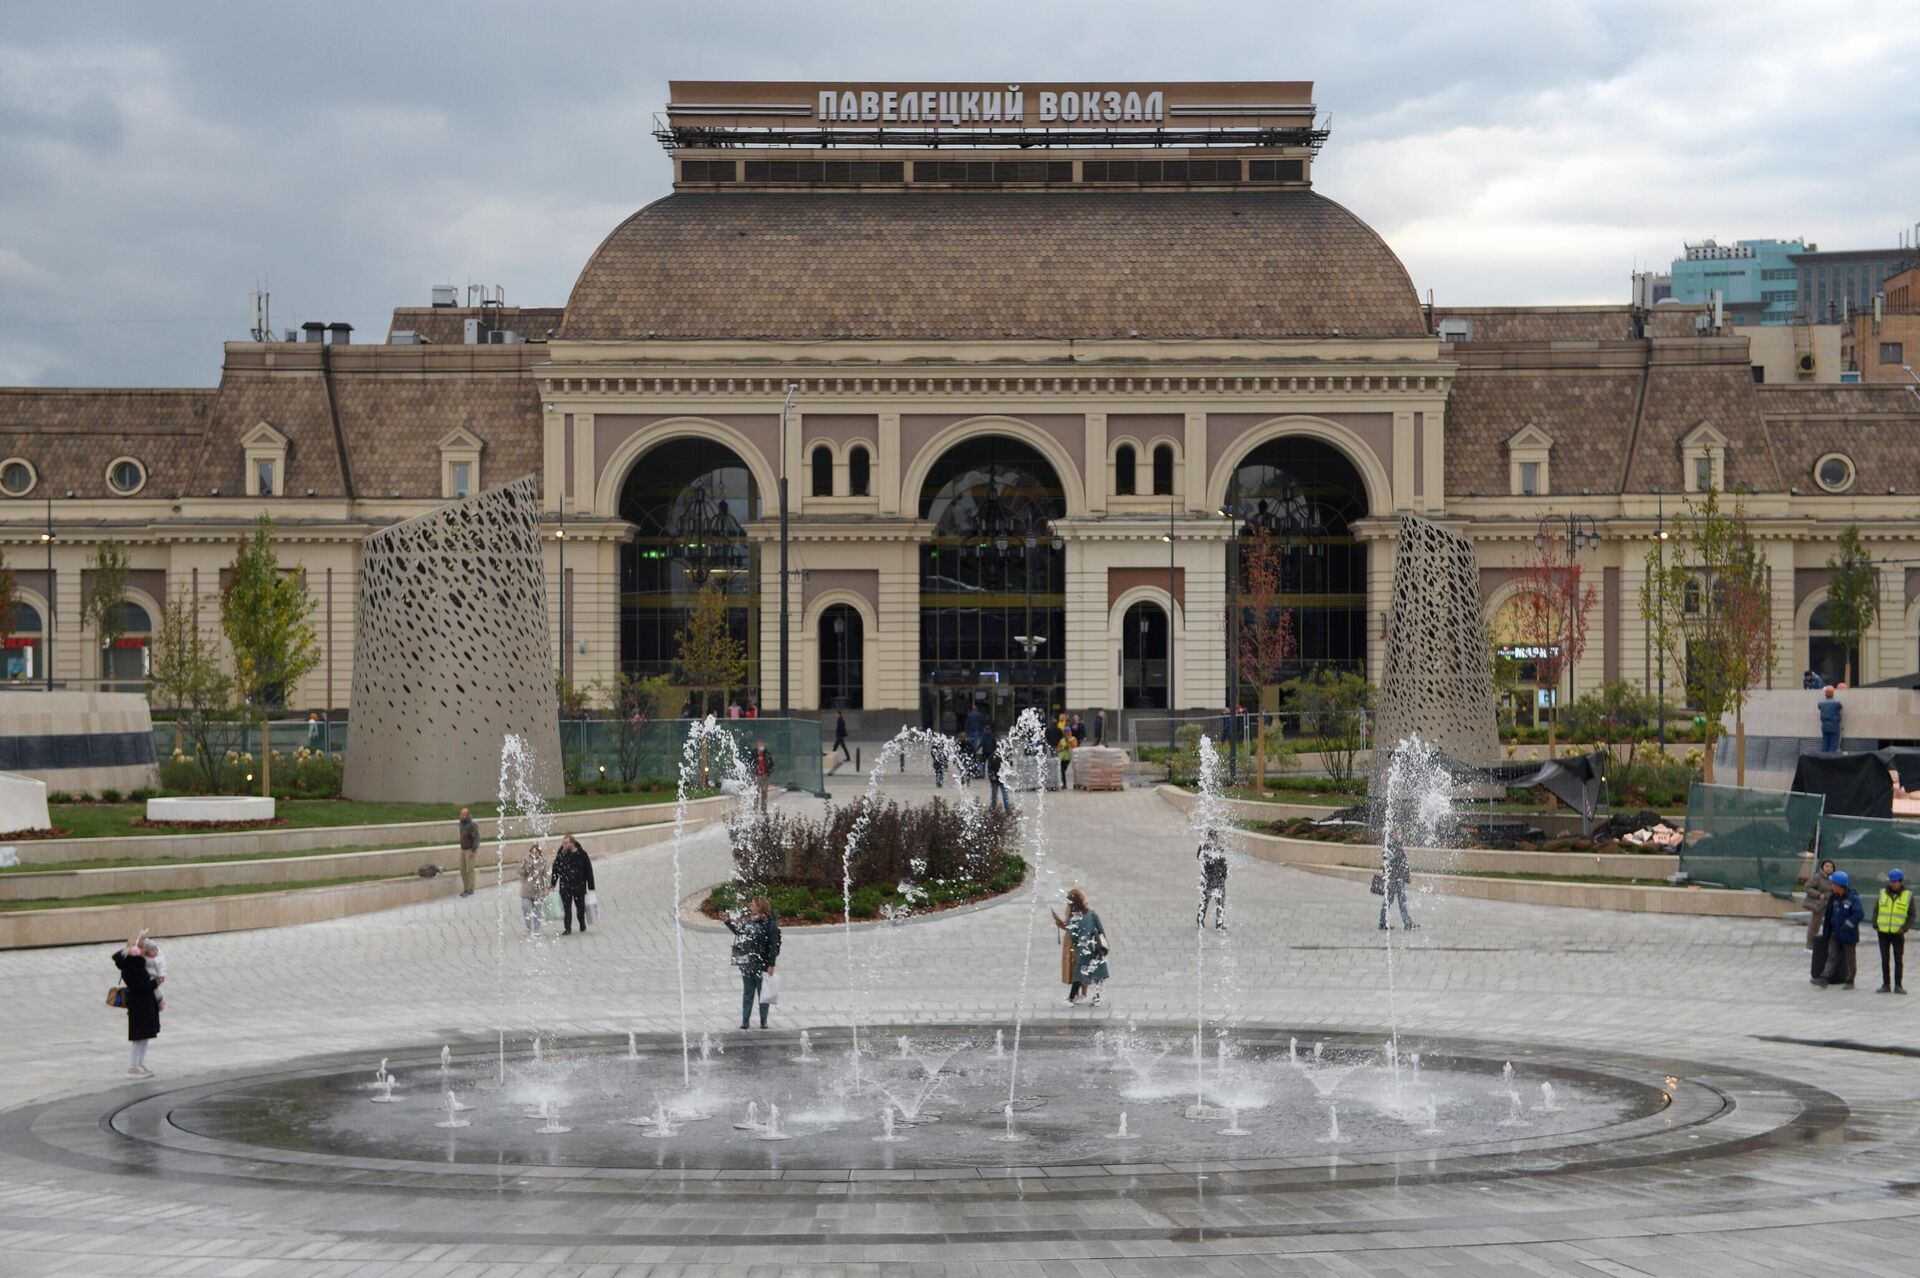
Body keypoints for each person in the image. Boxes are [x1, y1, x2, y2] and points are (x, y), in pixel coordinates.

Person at [725, 896, 781, 1029]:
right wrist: (728, 922)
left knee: (764, 994)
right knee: (747, 992)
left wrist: (771, 964)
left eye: (753, 905)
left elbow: (773, 946)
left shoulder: (770, 924)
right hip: (748, 963)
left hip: (762, 964)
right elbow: (739, 931)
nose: (751, 906)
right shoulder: (749, 921)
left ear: (760, 906)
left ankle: (763, 1020)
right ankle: (745, 1020)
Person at [111, 929, 161, 1077]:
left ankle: (140, 1063)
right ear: (135, 949)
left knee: (144, 1035)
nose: (145, 950)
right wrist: (155, 983)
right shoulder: (131, 965)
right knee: (138, 1036)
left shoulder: (136, 962)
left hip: (145, 1002)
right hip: (139, 1003)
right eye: (143, 947)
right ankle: (133, 1066)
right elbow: (139, 986)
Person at [1051, 887, 1110, 1006]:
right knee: (1098, 973)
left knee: (1079, 974)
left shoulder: (1072, 918)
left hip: (1083, 949)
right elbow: (1101, 930)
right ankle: (1096, 998)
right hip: (1095, 948)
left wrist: (1078, 944)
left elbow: (1073, 936)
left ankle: (1072, 998)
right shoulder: (1092, 914)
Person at [1814, 869, 1864, 988]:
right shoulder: (1834, 897)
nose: (1831, 886)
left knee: (1850, 958)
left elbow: (1859, 914)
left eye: (1833, 884)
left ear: (1839, 885)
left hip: (1848, 934)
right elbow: (1829, 914)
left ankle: (1850, 981)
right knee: (1832, 955)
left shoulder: (1853, 898)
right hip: (1835, 932)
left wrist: (1847, 925)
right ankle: (1824, 978)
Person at [1875, 868, 1912, 994]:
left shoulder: (1907, 896)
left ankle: (1898, 985)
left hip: (1898, 933)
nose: (1893, 884)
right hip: (1883, 933)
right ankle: (1886, 984)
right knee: (1885, 959)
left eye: (1895, 882)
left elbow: (1912, 915)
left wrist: (1904, 928)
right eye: (1891, 881)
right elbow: (1876, 909)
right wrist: (1876, 924)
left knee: (1898, 959)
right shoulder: (1882, 893)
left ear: (1900, 882)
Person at [551, 835, 595, 936]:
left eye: (566, 843)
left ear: (572, 843)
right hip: (565, 886)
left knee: (580, 907)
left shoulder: (581, 854)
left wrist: (591, 886)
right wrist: (552, 884)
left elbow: (588, 870)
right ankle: (567, 928)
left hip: (579, 886)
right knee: (567, 908)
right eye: (563, 843)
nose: (564, 845)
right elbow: (555, 871)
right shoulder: (560, 855)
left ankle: (582, 923)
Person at [1804, 857, 1836, 979]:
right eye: (1827, 866)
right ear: (1823, 867)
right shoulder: (1817, 877)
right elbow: (1807, 887)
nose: (1829, 868)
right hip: (1820, 905)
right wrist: (1818, 895)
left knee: (1829, 926)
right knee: (1814, 926)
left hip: (1830, 905)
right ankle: (1809, 946)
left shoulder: (1834, 878)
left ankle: (1828, 946)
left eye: (1831, 866)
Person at [1378, 832, 1417, 931]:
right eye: (1398, 832)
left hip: (1395, 877)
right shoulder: (1391, 845)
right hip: (1396, 878)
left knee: (1391, 900)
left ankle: (1384, 921)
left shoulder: (1392, 844)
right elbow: (1391, 862)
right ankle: (1406, 922)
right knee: (1400, 900)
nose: (1399, 834)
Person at [1197, 828, 1228, 929]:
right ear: (1208, 837)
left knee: (1220, 902)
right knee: (1205, 901)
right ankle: (1200, 919)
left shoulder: (1220, 849)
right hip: (1209, 879)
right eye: (1211, 837)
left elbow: (1224, 862)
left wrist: (1224, 875)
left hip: (1219, 879)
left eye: (1214, 837)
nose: (1213, 839)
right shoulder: (1204, 848)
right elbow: (1199, 857)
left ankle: (1219, 923)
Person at [519, 843, 549, 934]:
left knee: (537, 910)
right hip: (527, 889)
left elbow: (547, 874)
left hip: (539, 889)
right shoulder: (526, 860)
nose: (534, 854)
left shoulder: (543, 862)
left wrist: (547, 886)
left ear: (539, 853)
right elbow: (519, 871)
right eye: (533, 852)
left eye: (536, 852)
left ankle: (536, 929)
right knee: (526, 907)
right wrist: (526, 870)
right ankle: (528, 927)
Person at [983, 724, 1012, 812]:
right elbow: (989, 767)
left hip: (1002, 778)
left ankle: (1006, 808)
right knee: (994, 795)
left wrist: (1008, 758)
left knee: (1004, 794)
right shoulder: (992, 756)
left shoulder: (1004, 757)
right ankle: (993, 807)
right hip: (995, 778)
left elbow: (1009, 765)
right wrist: (992, 775)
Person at [457, 807, 481, 897]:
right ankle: (465, 888)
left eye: (463, 815)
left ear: (467, 815)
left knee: (469, 870)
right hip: (463, 849)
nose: (461, 816)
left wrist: (473, 850)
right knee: (462, 869)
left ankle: (470, 889)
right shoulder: (461, 824)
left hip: (470, 850)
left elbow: (476, 838)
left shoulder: (471, 825)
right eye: (461, 814)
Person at [751, 739, 775, 810]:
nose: (761, 746)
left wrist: (769, 772)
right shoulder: (754, 754)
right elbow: (750, 763)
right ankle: (755, 808)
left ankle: (764, 810)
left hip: (765, 775)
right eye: (759, 745)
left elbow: (771, 764)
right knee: (756, 792)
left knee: (764, 794)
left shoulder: (766, 754)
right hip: (757, 776)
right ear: (757, 746)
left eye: (762, 745)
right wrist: (753, 772)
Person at [1818, 685, 1843, 752]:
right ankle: (1830, 759)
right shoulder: (1836, 703)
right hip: (1834, 725)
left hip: (1825, 725)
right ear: (1833, 693)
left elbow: (1819, 707)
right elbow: (1840, 707)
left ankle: (1823, 758)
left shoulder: (1821, 703)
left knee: (1825, 742)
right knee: (1833, 744)